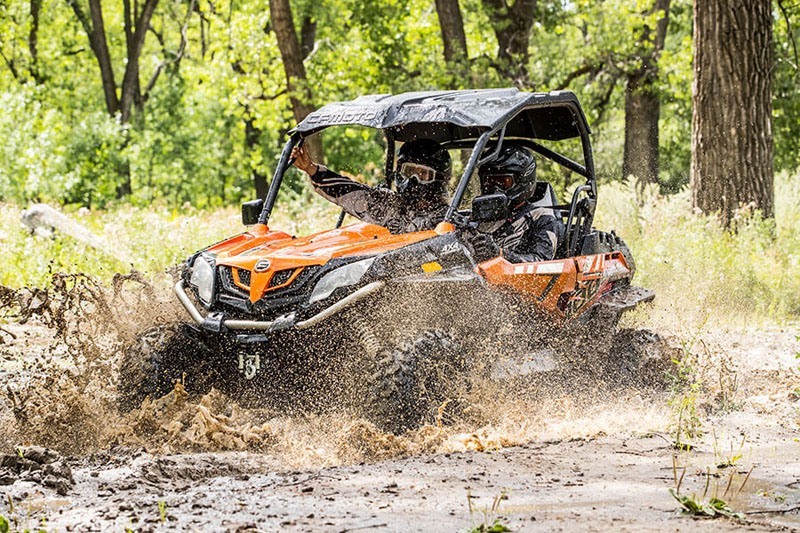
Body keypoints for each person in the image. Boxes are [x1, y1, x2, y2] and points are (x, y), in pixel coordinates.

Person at [290, 139, 451, 234]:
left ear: (439, 179)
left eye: (422, 174)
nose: (413, 180)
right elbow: (351, 192)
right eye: (409, 171)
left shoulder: (448, 218)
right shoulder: (389, 204)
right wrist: (311, 169)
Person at [470, 145, 564, 263]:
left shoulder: (544, 219)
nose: (495, 189)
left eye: (503, 182)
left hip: (513, 279)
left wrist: (499, 253)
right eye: (489, 182)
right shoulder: (482, 214)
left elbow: (541, 262)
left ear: (523, 181)